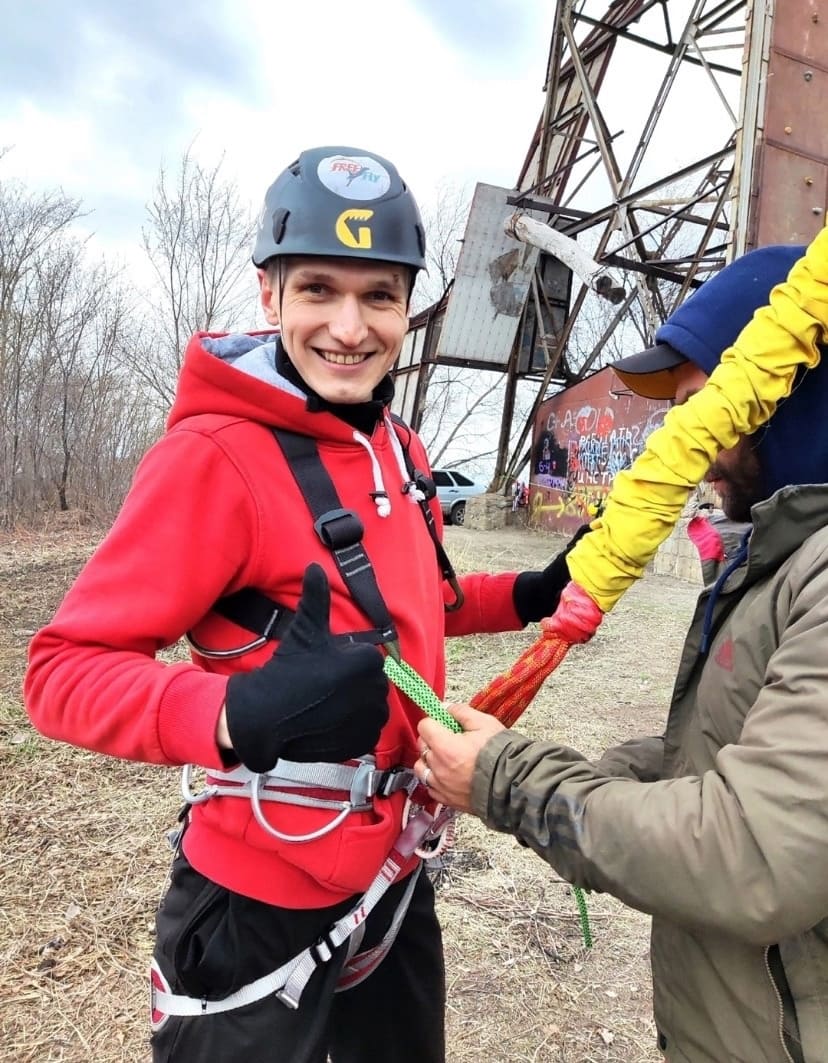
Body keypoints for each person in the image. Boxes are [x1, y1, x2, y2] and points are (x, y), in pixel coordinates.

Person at [23, 145, 579, 1063]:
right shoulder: (217, 456)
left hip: (396, 876)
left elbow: (421, 607)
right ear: (269, 294)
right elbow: (61, 674)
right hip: (257, 896)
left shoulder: (397, 445)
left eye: (380, 296)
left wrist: (529, 593)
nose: (350, 327)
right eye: (319, 289)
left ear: (410, 307)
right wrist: (239, 712)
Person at [415, 243, 828, 1062]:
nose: (690, 441)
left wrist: (513, 781)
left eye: (701, 404)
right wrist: (615, 775)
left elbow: (755, 853)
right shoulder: (768, 564)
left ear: (790, 392)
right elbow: (749, 754)